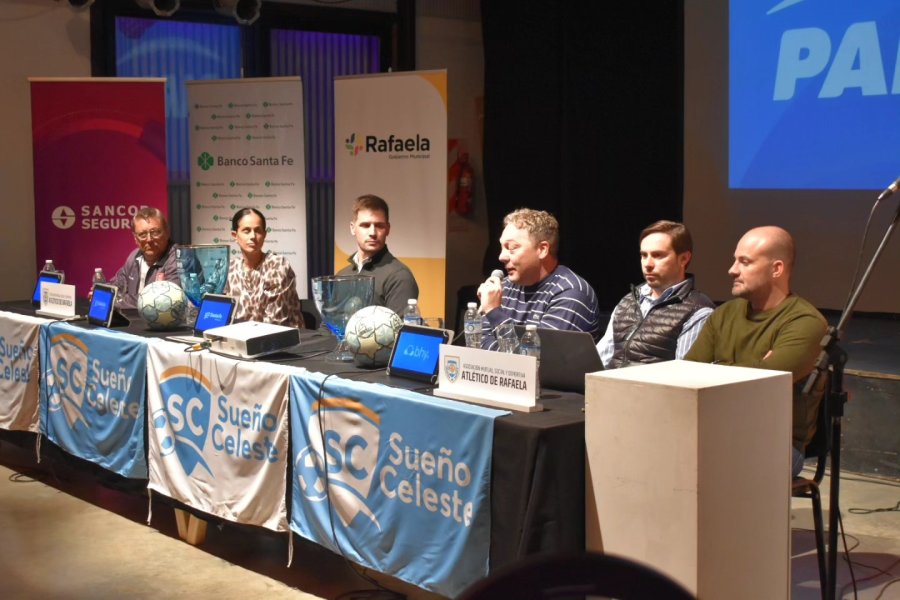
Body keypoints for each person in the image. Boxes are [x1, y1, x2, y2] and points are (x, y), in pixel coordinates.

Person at [685, 226, 827, 477]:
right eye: (735, 260)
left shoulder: (805, 322)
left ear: (777, 269)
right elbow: (688, 374)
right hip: (716, 430)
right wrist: (751, 369)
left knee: (709, 468)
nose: (732, 270)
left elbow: (758, 386)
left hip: (777, 444)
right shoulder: (725, 314)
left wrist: (716, 369)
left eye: (745, 262)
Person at [477, 208, 601, 350]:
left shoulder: (571, 293)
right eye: (501, 248)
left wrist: (494, 312)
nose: (501, 257)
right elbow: (481, 345)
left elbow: (537, 362)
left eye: (512, 247)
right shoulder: (504, 288)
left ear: (542, 249)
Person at [596, 220, 714, 368]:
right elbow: (599, 359)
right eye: (644, 255)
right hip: (608, 386)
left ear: (684, 258)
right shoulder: (629, 301)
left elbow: (683, 377)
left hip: (651, 390)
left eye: (658, 255)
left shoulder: (698, 311)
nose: (648, 264)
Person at [335, 194, 418, 316]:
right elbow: (327, 326)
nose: (373, 233)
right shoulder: (341, 276)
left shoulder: (399, 277)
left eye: (379, 226)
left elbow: (398, 332)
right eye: (365, 225)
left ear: (388, 229)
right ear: (352, 228)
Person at [223, 208, 303, 328]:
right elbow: (219, 315)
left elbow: (275, 322)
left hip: (282, 341)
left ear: (264, 235)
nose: (253, 236)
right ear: (235, 235)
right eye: (246, 230)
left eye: (258, 231)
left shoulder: (277, 265)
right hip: (239, 340)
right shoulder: (229, 269)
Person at [112, 207, 180, 309]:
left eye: (155, 232)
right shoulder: (134, 256)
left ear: (167, 232)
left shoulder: (180, 258)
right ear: (135, 238)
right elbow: (116, 285)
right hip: (134, 321)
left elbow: (163, 301)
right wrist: (102, 294)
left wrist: (115, 300)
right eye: (142, 234)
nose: (149, 239)